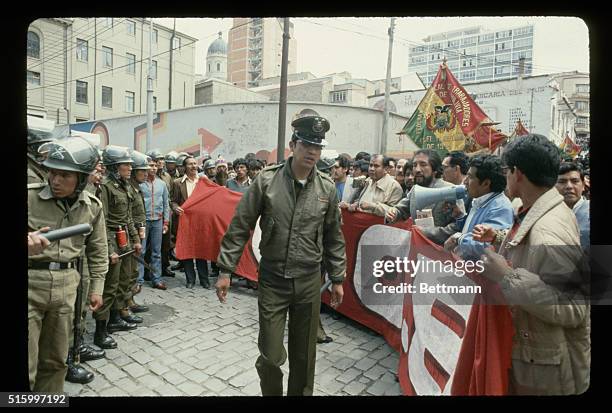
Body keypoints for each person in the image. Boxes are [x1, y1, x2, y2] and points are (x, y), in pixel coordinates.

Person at [215, 115, 346, 396]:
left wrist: (337, 278)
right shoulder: (266, 181)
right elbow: (240, 226)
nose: (312, 152)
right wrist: (225, 271)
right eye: (307, 144)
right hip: (273, 279)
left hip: (309, 281)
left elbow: (334, 236)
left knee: (304, 355)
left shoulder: (326, 188)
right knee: (271, 356)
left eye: (317, 147)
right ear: (293, 145)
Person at [472, 134, 589, 395]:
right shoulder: (535, 208)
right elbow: (537, 258)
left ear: (518, 173)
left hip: (546, 370)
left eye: (507, 171)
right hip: (535, 354)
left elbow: (575, 307)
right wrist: (501, 237)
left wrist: (507, 277)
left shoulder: (548, 230)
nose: (506, 178)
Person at [28, 136, 108, 392]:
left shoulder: (92, 207)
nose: (55, 180)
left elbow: (98, 250)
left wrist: (96, 288)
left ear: (82, 179)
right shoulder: (29, 198)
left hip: (67, 289)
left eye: (65, 175)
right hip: (30, 283)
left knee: (55, 362)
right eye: (52, 173)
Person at [93, 145, 141, 350]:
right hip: (111, 238)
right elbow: (101, 220)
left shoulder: (125, 186)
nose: (130, 168)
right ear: (114, 167)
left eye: (130, 165)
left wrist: (135, 239)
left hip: (124, 239)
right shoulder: (105, 186)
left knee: (122, 281)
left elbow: (128, 216)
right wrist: (108, 248)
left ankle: (115, 318)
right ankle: (100, 331)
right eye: (125, 165)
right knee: (109, 287)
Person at [419, 154, 513, 259]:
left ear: (486, 183)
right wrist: (460, 217)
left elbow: (487, 245)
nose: (466, 181)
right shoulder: (481, 200)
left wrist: (459, 238)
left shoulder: (500, 208)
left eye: (470, 177)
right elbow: (472, 231)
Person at [385, 149, 455, 227]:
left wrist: (429, 232)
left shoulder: (450, 190)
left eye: (423, 165)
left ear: (434, 168)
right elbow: (401, 210)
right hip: (417, 238)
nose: (417, 169)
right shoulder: (415, 189)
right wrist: (393, 213)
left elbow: (456, 226)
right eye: (415, 165)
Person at [172, 156, 210, 288]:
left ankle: (204, 280)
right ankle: (190, 280)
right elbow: (173, 201)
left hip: (200, 222)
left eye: (195, 164)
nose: (194, 166)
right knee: (187, 250)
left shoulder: (203, 181)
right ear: (184, 167)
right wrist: (175, 208)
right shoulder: (178, 183)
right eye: (190, 164)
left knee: (201, 250)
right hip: (185, 221)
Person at [138, 156, 170, 290]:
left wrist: (166, 222)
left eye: (155, 166)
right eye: (150, 165)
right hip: (143, 221)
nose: (153, 168)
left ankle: (156, 279)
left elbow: (166, 203)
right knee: (141, 251)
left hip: (158, 220)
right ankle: (138, 281)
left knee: (157, 252)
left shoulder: (162, 184)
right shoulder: (140, 184)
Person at [556, 162, 590, 252]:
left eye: (574, 181)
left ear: (583, 185)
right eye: (562, 182)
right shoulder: (549, 215)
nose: (569, 186)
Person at [27, 116, 56, 184]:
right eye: (45, 148)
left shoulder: (43, 165)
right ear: (32, 149)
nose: (49, 152)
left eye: (50, 147)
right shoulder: (30, 173)